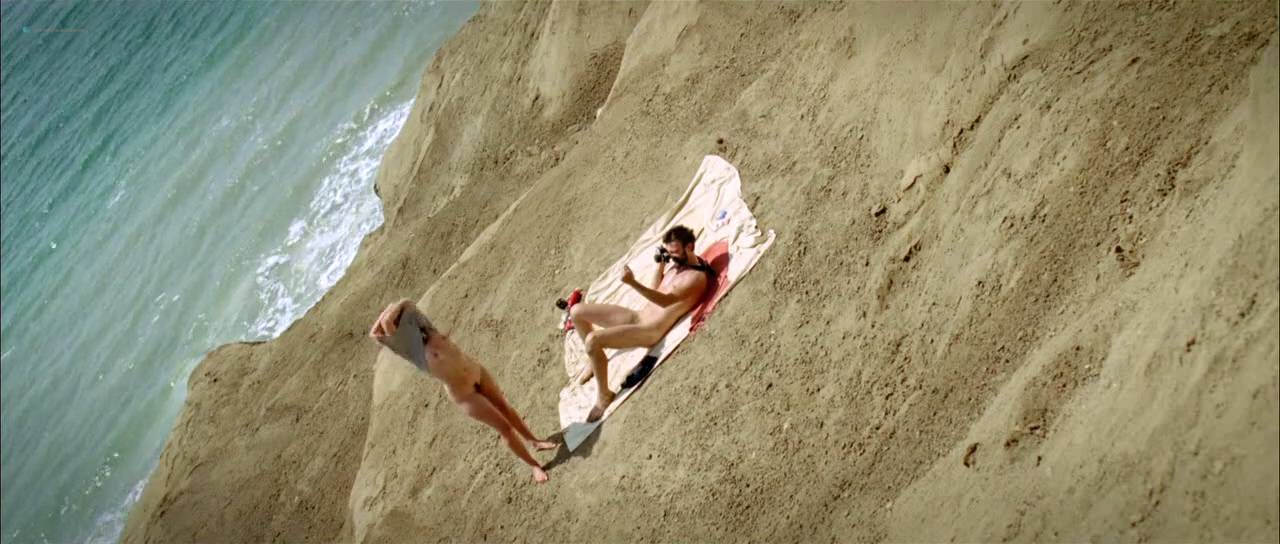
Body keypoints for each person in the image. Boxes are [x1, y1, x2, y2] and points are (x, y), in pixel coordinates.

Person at [369, 299, 557, 483]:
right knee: (505, 428)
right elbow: (378, 331)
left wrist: (395, 309)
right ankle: (534, 465)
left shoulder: (425, 327)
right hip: (464, 394)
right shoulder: (411, 352)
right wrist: (390, 314)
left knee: (505, 407)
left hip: (476, 371)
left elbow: (405, 303)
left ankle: (534, 441)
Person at [570, 225, 711, 422]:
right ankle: (593, 360)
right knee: (577, 311)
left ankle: (604, 396)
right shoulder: (678, 265)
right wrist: (660, 266)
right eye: (668, 252)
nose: (671, 257)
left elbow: (665, 301)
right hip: (638, 317)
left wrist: (632, 283)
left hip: (649, 330)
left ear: (689, 247)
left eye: (674, 252)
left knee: (593, 340)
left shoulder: (695, 278)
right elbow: (656, 288)